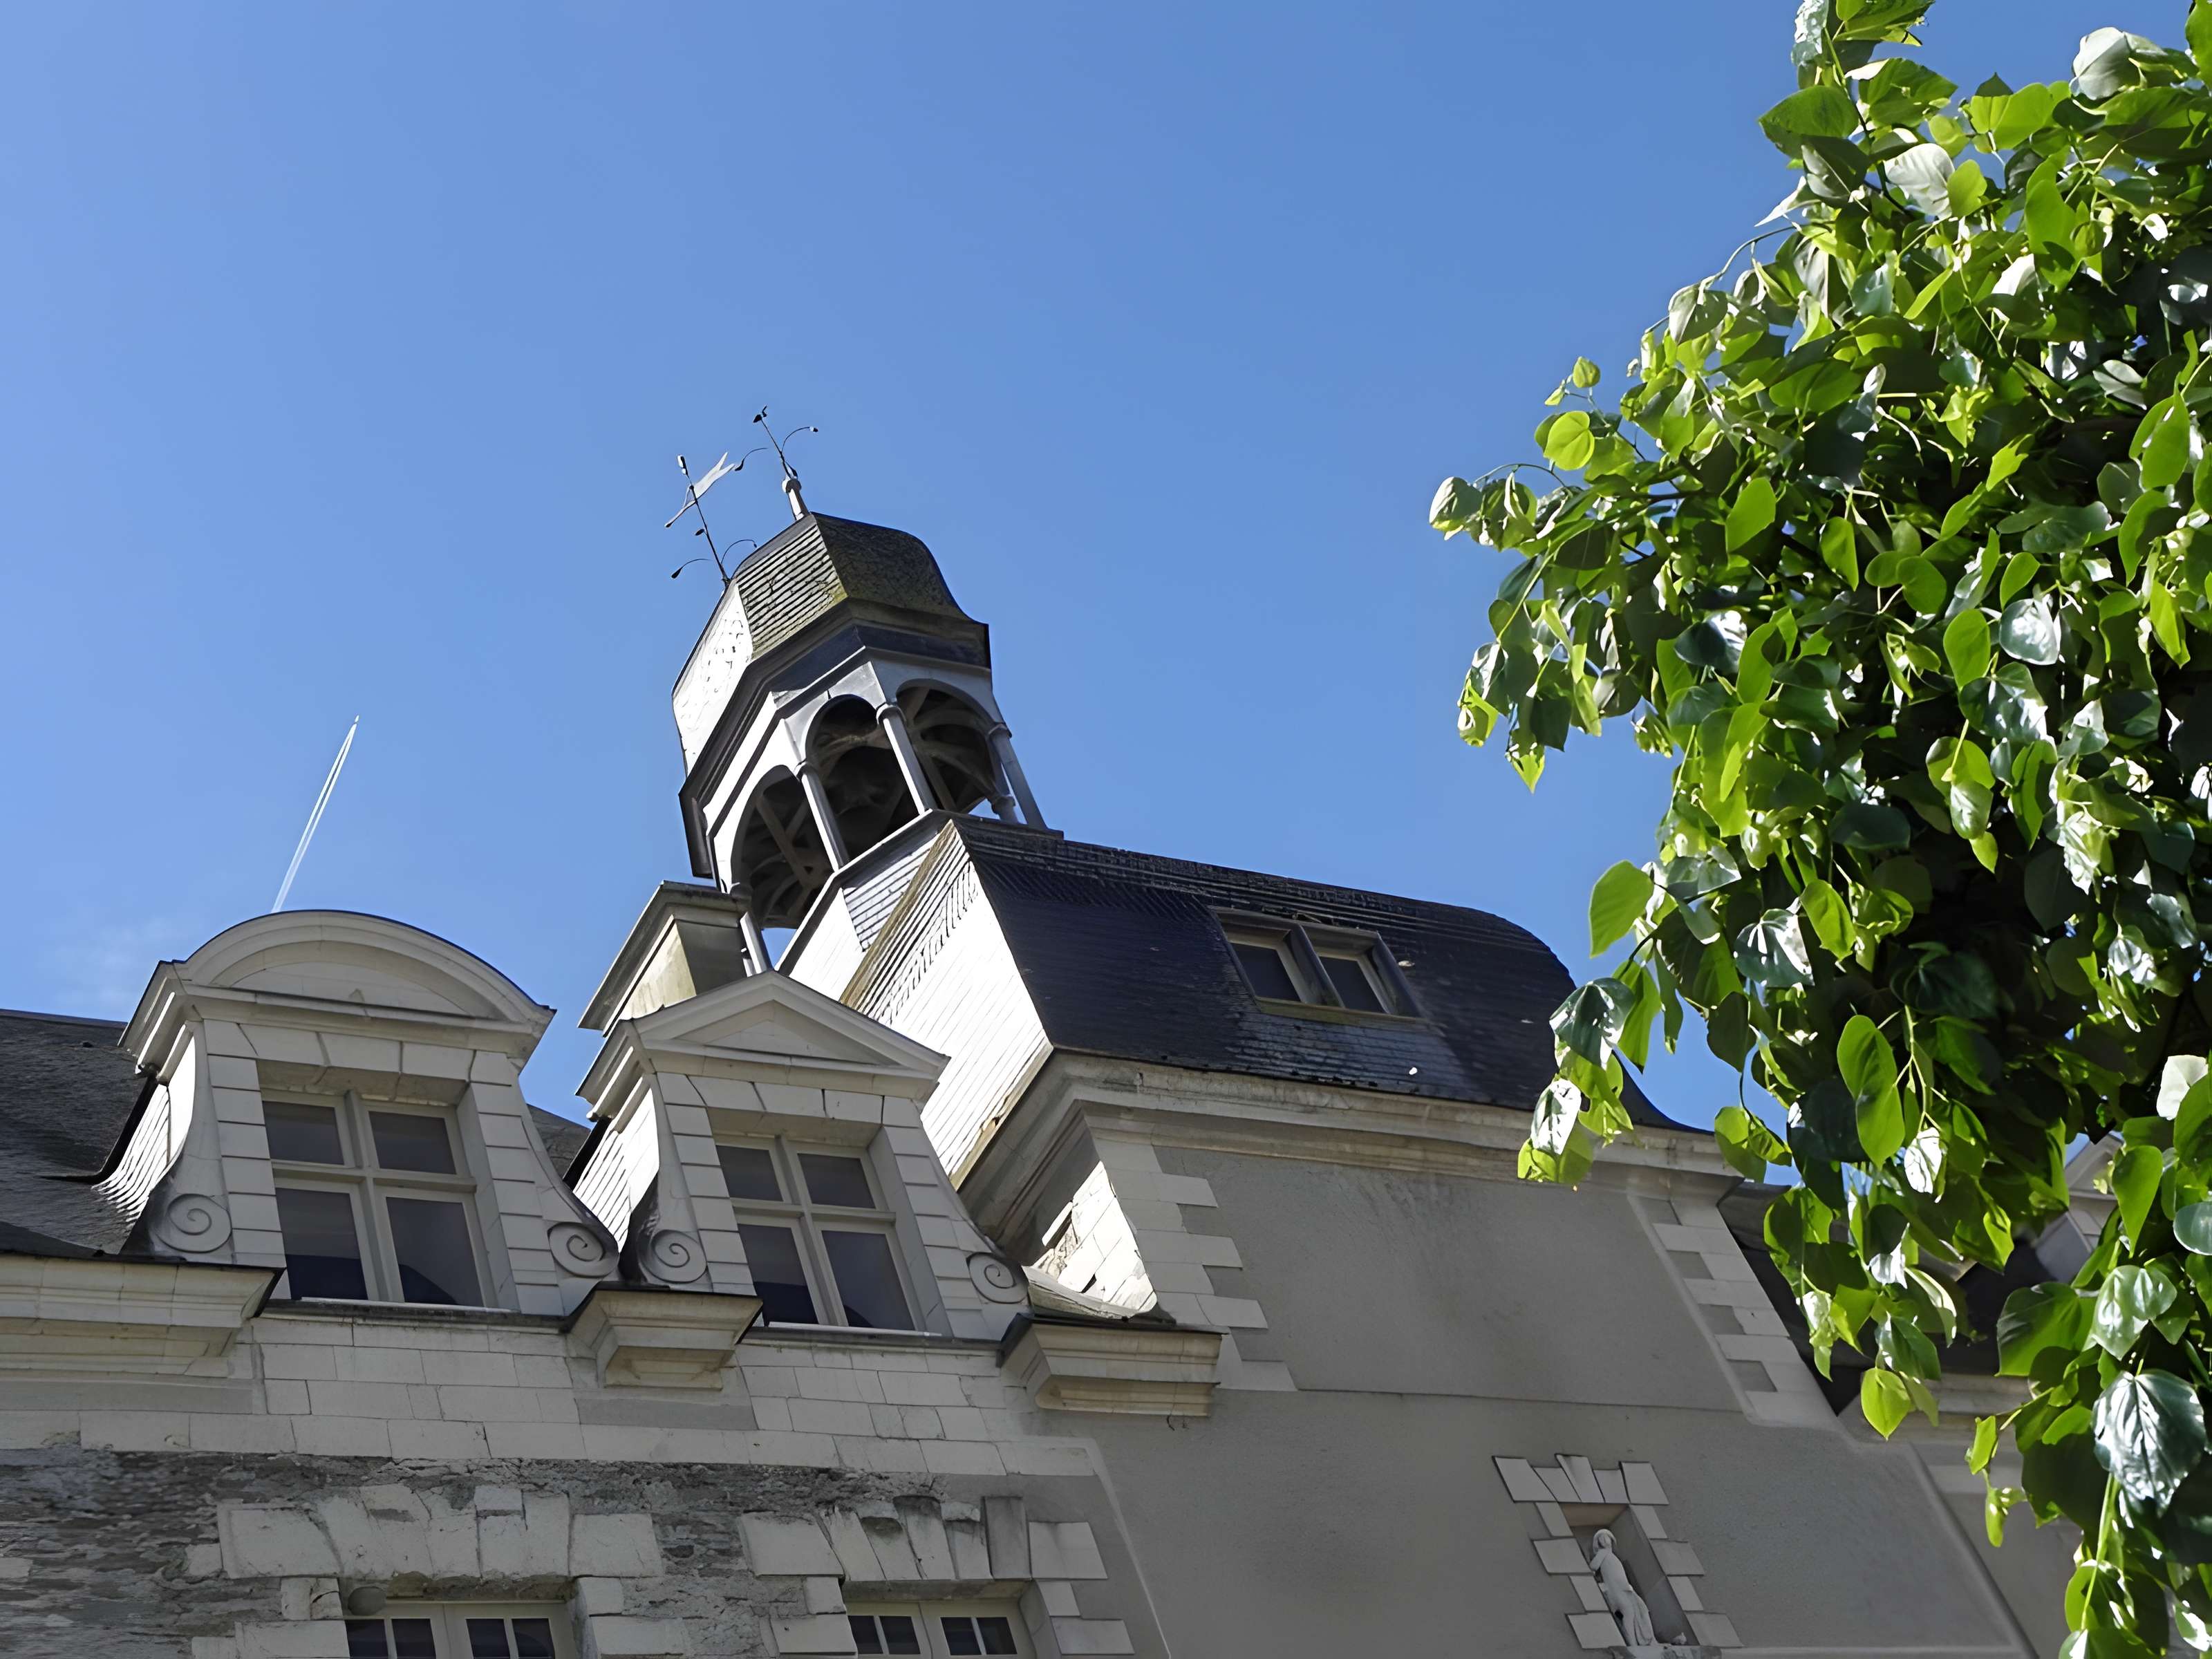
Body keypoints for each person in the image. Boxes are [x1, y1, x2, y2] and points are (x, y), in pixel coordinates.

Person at [1588, 1529, 1657, 1647]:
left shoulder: (1611, 1555)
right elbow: (1594, 1566)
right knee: (1629, 1612)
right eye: (1601, 1538)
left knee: (1643, 1609)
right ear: (1598, 1543)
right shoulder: (1603, 1553)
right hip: (1615, 1589)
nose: (1604, 1539)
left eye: (1606, 1537)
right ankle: (1633, 1645)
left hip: (1626, 1589)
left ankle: (1651, 1640)